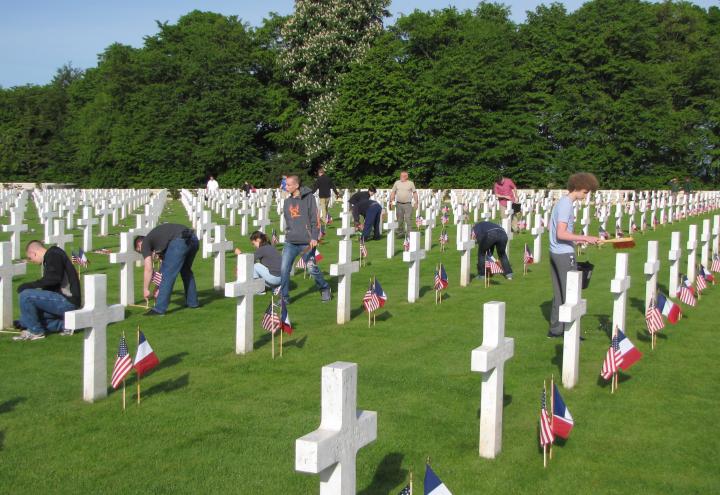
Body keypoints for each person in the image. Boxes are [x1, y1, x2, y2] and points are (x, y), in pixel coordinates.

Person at [548, 172, 600, 338]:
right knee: (571, 293)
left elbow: (553, 229)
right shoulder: (566, 205)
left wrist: (575, 240)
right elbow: (561, 234)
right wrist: (585, 237)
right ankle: (571, 333)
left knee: (559, 293)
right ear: (577, 188)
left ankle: (555, 330)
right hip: (564, 255)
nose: (586, 196)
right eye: (585, 192)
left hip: (555, 251)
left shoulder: (561, 203)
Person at [13, 240, 81, 341]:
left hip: (68, 300)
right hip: (62, 299)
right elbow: (50, 284)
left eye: (30, 258)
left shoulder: (53, 254)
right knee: (26, 319)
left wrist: (30, 285)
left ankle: (36, 332)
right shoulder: (49, 258)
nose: (32, 261)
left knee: (26, 295)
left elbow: (53, 279)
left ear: (34, 253)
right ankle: (67, 325)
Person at [280, 175, 332, 304]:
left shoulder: (309, 198)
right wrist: (289, 233)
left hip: (307, 242)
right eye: (285, 185)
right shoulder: (287, 202)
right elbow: (288, 220)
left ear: (296, 185)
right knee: (284, 269)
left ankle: (325, 288)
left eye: (288, 185)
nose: (286, 187)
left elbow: (315, 219)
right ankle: (284, 298)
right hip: (290, 242)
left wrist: (314, 237)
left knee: (312, 269)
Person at [134, 223, 199, 316]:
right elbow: (165, 266)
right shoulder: (159, 241)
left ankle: (159, 309)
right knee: (186, 271)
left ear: (139, 244)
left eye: (139, 250)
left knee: (168, 276)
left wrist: (145, 289)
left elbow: (148, 269)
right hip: (193, 239)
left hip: (180, 240)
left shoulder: (144, 243)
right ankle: (193, 303)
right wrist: (157, 288)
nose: (143, 252)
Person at [389, 170, 418, 237]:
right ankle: (400, 233)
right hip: (399, 204)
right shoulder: (397, 183)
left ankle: (409, 234)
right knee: (399, 219)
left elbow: (414, 193)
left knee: (408, 219)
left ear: (406, 176)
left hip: (408, 204)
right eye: (401, 176)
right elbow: (393, 192)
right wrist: (391, 201)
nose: (401, 177)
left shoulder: (411, 183)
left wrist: (416, 202)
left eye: (403, 176)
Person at [311, 167, 340, 232]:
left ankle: (324, 220)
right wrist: (336, 193)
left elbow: (315, 187)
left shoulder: (319, 179)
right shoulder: (328, 179)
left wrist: (311, 193)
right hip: (328, 196)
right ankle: (326, 217)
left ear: (320, 173)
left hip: (322, 196)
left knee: (323, 208)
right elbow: (333, 186)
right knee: (325, 208)